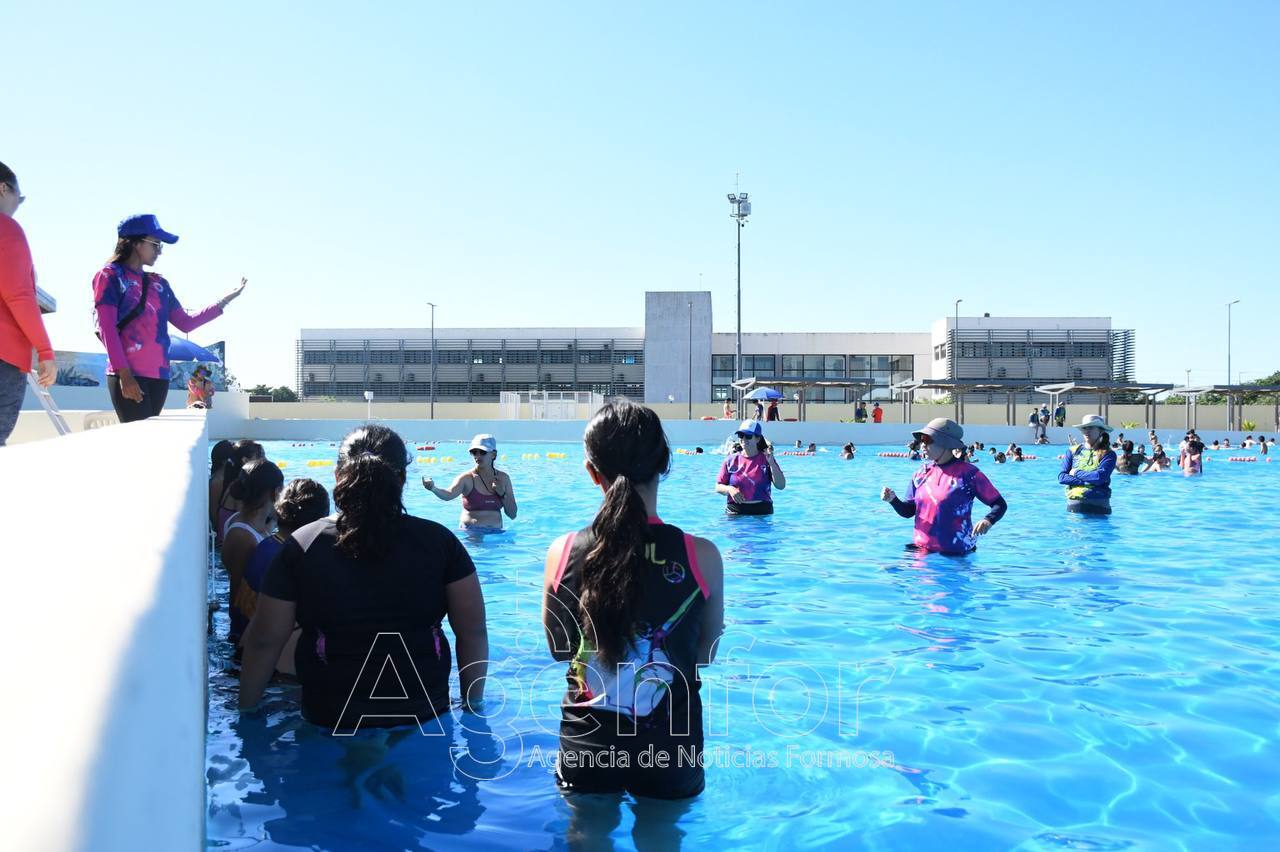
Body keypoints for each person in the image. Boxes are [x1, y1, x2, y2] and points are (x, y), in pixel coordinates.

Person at [240, 425, 488, 728]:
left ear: (337, 476)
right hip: (423, 715)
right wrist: (473, 706)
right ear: (402, 479)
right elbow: (473, 632)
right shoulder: (440, 543)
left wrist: (246, 713)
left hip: (329, 716)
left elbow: (265, 641)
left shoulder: (302, 545)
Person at [541, 401, 724, 799]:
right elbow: (705, 654)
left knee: (588, 831)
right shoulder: (701, 556)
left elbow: (559, 648)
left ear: (592, 472)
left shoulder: (564, 550)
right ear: (664, 464)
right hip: (670, 745)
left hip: (587, 741)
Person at [93, 214, 246, 423]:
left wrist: (225, 300)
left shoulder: (159, 284)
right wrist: (125, 376)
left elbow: (186, 323)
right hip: (128, 375)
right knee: (137, 438)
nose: (159, 251)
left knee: (151, 438)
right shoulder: (110, 276)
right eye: (155, 244)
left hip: (159, 376)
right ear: (135, 243)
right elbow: (107, 328)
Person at [235, 478, 330, 674]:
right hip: (271, 658)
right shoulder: (291, 561)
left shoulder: (266, 545)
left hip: (243, 644)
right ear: (318, 522)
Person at [880, 418, 1007, 555]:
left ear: (945, 443)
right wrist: (893, 500)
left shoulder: (969, 474)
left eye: (927, 440)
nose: (922, 445)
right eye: (921, 440)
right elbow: (909, 511)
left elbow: (999, 504)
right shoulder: (920, 474)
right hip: (922, 552)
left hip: (957, 554)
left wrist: (988, 520)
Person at [0, 161, 56, 447]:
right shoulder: (6, 229)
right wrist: (45, 351)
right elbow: (19, 296)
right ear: (3, 188)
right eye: (18, 198)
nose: (17, 206)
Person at [221, 459, 285, 646]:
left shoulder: (247, 521)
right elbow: (237, 590)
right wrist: (238, 635)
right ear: (275, 492)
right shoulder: (242, 536)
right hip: (245, 628)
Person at [422, 434, 517, 531]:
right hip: (471, 532)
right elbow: (448, 495)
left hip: (496, 533)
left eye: (482, 452)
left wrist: (502, 494)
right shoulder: (466, 478)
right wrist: (433, 488)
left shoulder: (503, 478)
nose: (477, 456)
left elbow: (513, 515)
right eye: (474, 452)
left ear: (493, 454)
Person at [715, 420, 786, 515]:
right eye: (741, 435)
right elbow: (718, 487)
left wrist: (772, 463)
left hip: (762, 512)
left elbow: (781, 486)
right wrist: (729, 489)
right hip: (735, 511)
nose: (743, 439)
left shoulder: (767, 459)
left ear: (757, 439)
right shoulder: (730, 460)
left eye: (748, 436)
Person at [1059, 415, 1117, 514]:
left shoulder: (1108, 454)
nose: (1086, 431)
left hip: (1099, 509)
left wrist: (1076, 473)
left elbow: (1099, 477)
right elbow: (1062, 477)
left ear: (1101, 431)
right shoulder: (1073, 451)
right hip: (1074, 509)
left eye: (1091, 427)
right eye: (1084, 428)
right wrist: (1086, 483)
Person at [215, 440, 266, 547]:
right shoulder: (241, 489)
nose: (265, 460)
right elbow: (250, 527)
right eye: (260, 456)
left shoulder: (233, 483)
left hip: (226, 545)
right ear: (245, 460)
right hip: (231, 547)